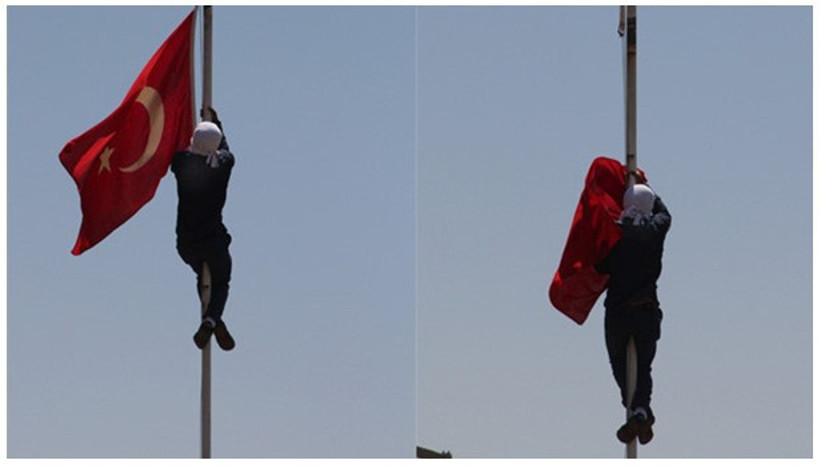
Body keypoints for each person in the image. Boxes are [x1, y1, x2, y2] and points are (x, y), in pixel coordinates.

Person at [595, 183, 670, 445]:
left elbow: (599, 265)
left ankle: (638, 410)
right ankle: (641, 411)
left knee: (620, 363)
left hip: (618, 314)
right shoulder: (654, 232)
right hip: (646, 310)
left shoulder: (615, 234)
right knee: (643, 366)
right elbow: (666, 215)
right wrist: (648, 188)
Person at [172, 107, 236, 351]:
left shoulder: (182, 164)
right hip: (212, 240)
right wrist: (217, 122)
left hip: (186, 242)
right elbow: (226, 149)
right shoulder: (223, 166)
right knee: (220, 281)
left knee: (203, 275)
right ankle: (212, 319)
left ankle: (212, 318)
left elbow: (180, 152)